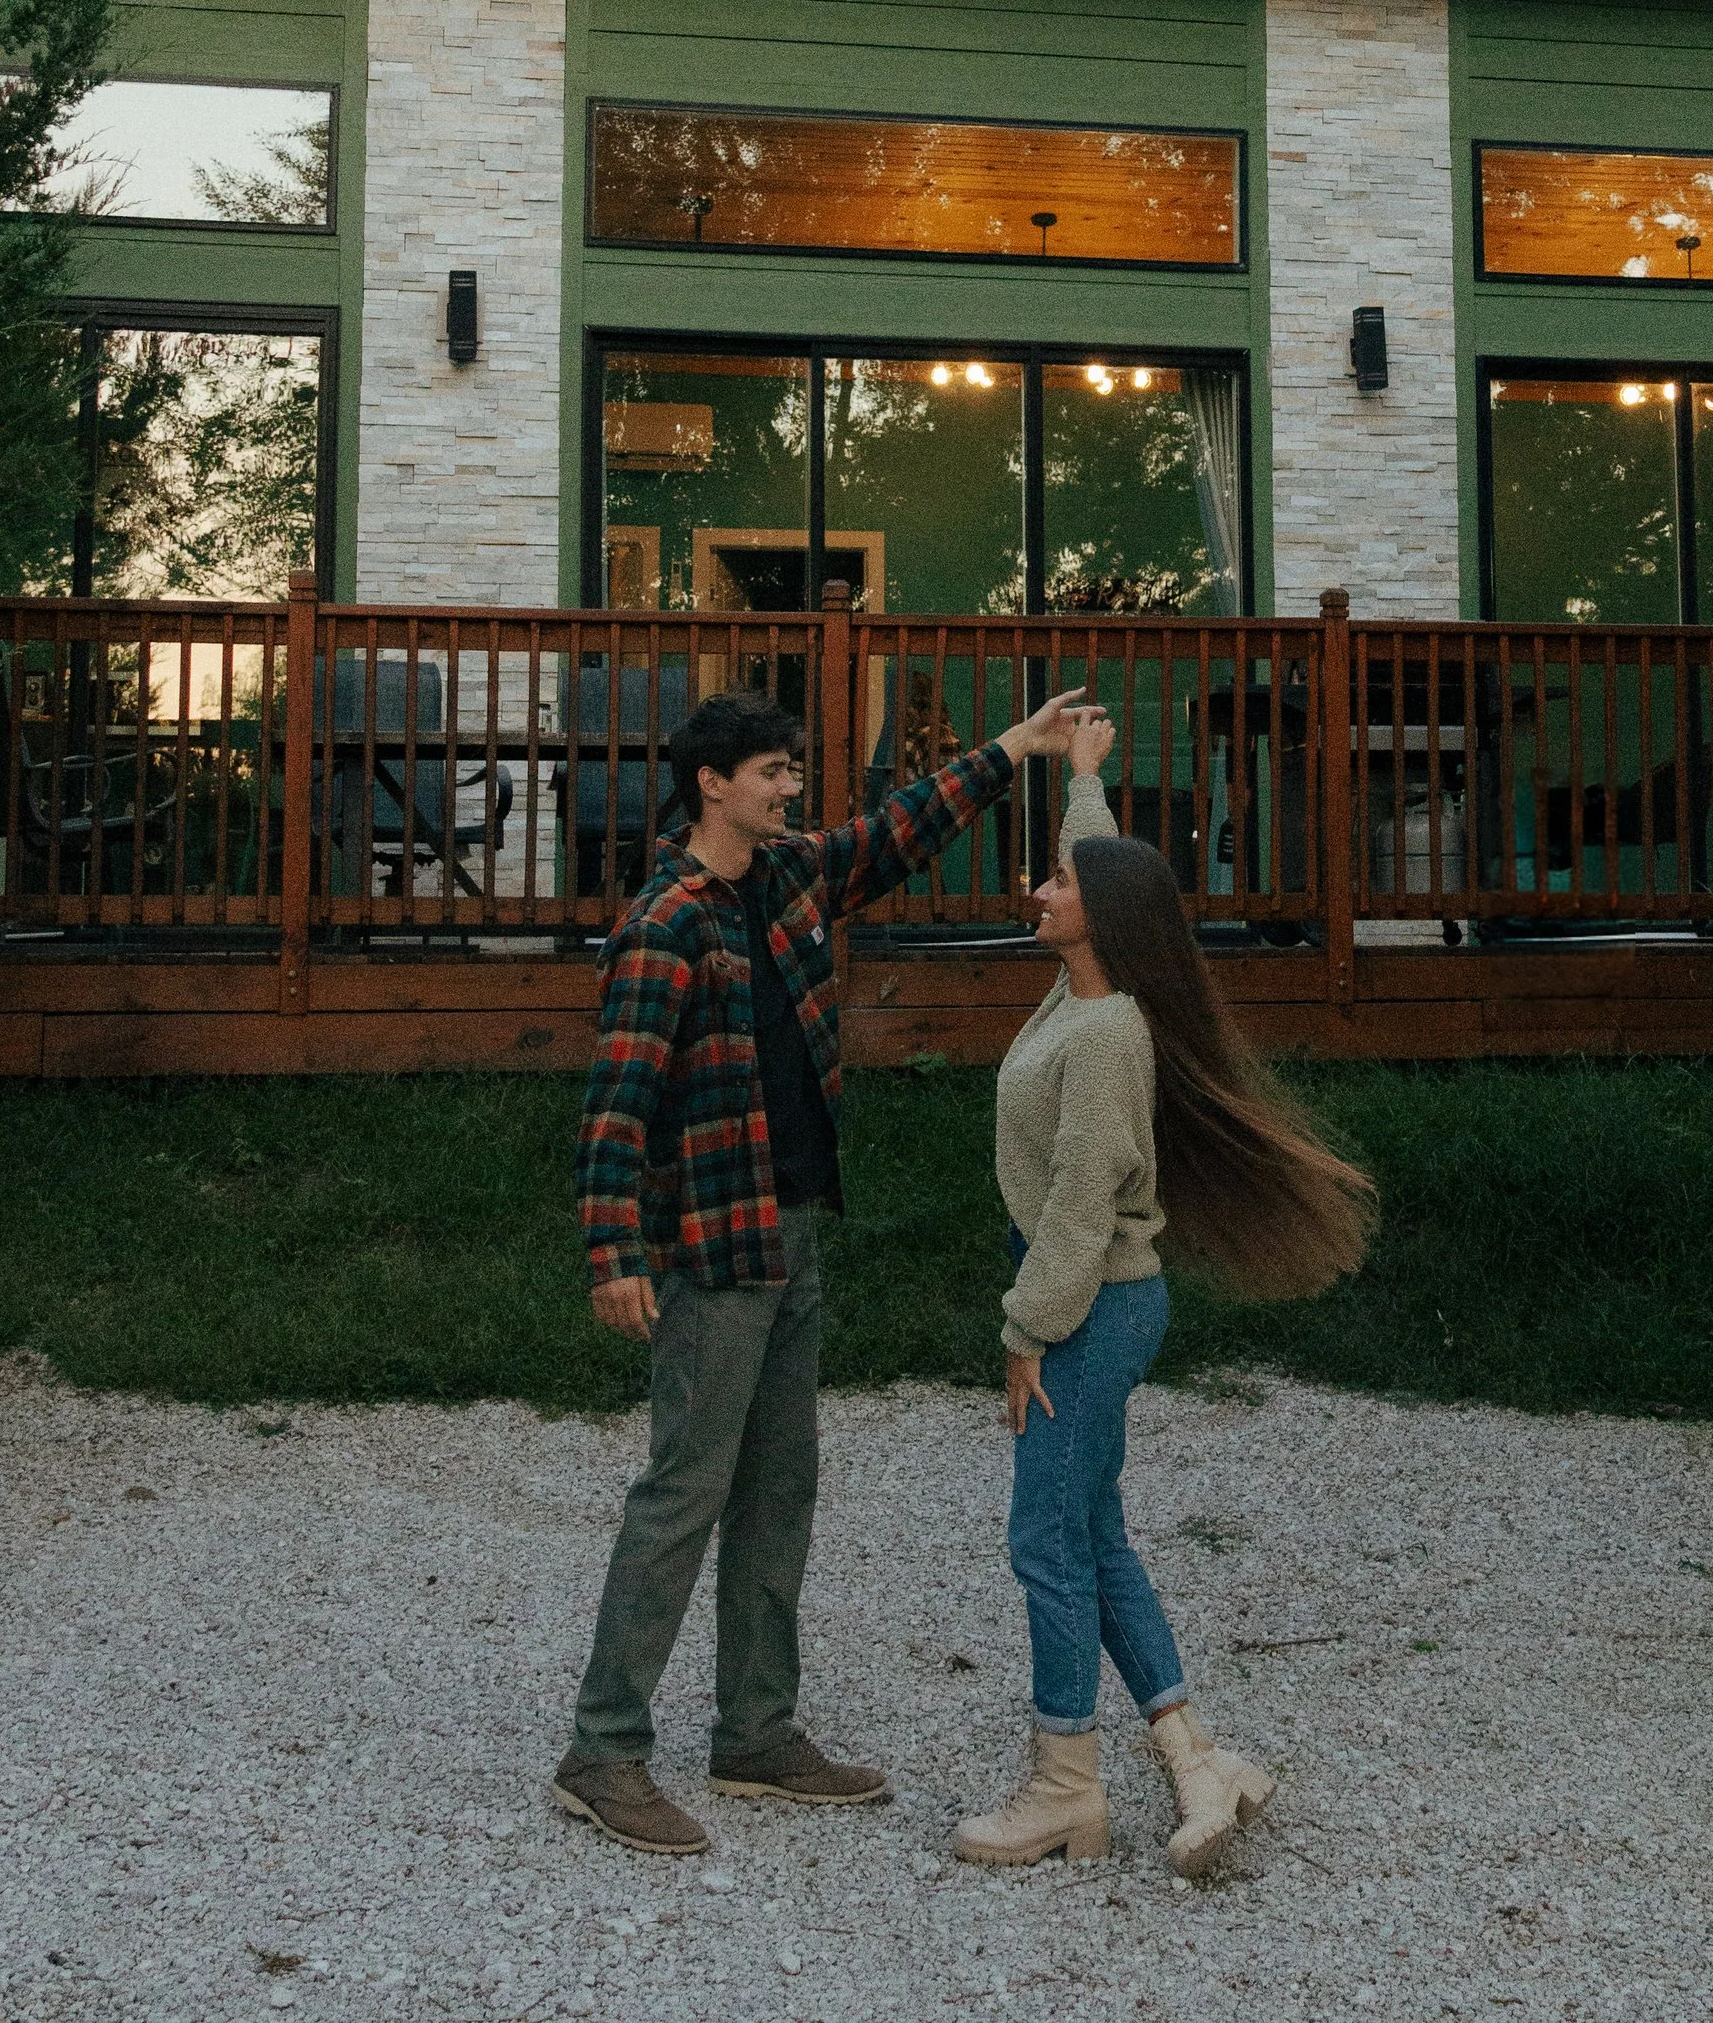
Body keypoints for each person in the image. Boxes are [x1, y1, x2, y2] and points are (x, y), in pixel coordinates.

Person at [556, 674, 1101, 1858]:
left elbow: (903, 828)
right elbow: (616, 1104)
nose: (792, 788)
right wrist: (614, 1250)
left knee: (781, 1490)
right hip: (712, 1242)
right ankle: (603, 1749)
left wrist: (1021, 741)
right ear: (714, 784)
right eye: (774, 773)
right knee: (682, 1495)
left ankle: (755, 1731)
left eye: (793, 772)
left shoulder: (790, 875)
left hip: (791, 1231)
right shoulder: (666, 921)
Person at [953, 716, 1375, 1880]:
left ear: (1098, 917)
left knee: (1043, 1540)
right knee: (1093, 1535)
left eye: (1055, 882)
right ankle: (1197, 1760)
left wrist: (1025, 1332)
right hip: (1099, 1301)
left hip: (1087, 1305)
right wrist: (1082, 784)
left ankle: (1061, 1789)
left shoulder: (1101, 1035)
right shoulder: (1088, 986)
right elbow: (1107, 873)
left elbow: (1081, 1212)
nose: (1038, 890)